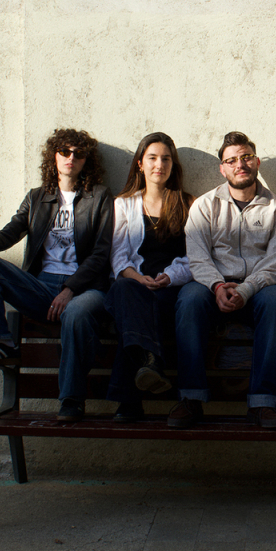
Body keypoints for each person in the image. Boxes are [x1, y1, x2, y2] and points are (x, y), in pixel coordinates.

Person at [0, 128, 113, 421]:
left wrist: (70, 289)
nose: (71, 158)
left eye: (79, 153)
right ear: (53, 156)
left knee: (76, 313)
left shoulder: (100, 197)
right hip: (42, 289)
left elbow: (101, 252)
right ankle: (1, 342)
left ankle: (71, 400)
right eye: (64, 151)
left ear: (87, 161)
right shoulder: (36, 198)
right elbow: (8, 234)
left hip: (86, 290)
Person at [172, 131, 276, 429]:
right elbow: (197, 256)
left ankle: (262, 403)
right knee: (188, 299)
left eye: (246, 157)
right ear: (222, 168)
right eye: (231, 160)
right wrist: (216, 286)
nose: (240, 164)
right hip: (212, 286)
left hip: (258, 288)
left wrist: (247, 289)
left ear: (257, 162)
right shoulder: (205, 206)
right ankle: (191, 398)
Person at [103, 132, 194, 422]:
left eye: (166, 159)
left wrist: (169, 276)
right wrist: (137, 277)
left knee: (137, 312)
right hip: (135, 286)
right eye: (152, 158)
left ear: (173, 165)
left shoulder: (188, 204)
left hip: (169, 289)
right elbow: (118, 255)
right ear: (140, 164)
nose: (159, 164)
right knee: (124, 290)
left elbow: (195, 256)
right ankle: (150, 362)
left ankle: (129, 399)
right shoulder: (123, 204)